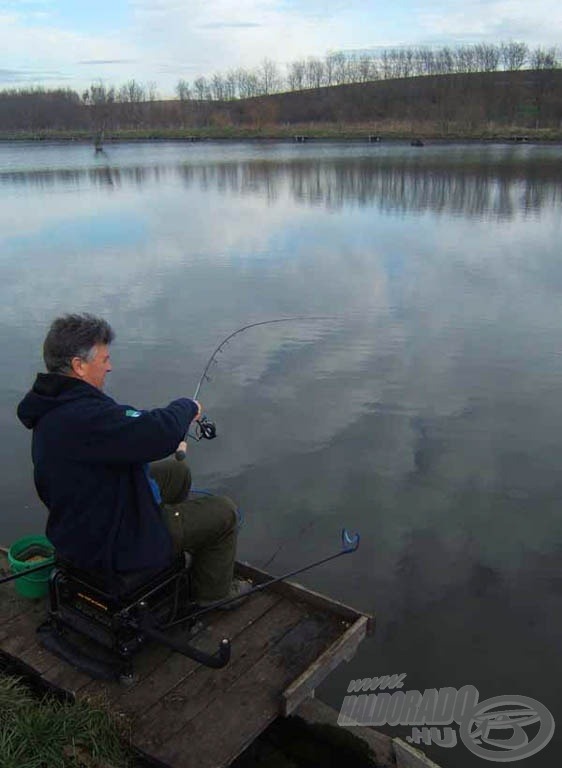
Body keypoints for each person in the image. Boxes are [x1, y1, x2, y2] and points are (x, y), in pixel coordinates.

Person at [17, 313, 249, 606]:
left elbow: (129, 429)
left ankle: (168, 545)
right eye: (104, 360)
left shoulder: (54, 406)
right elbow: (155, 432)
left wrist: (159, 426)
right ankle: (212, 596)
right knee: (224, 513)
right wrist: (187, 407)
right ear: (79, 365)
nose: (110, 366)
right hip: (113, 541)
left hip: (79, 524)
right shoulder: (86, 416)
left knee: (177, 473)